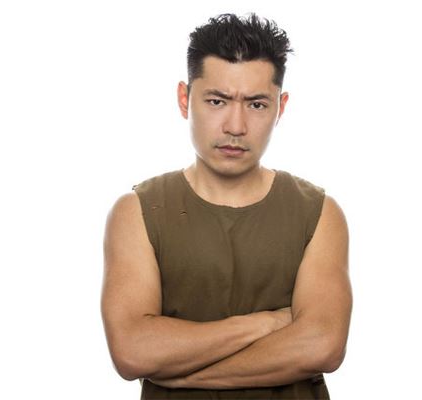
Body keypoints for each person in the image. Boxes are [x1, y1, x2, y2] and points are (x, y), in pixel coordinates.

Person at [101, 13, 352, 399]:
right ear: (185, 99)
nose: (235, 126)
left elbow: (322, 345)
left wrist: (185, 374)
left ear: (280, 107)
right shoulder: (138, 212)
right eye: (217, 101)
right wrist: (264, 324)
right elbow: (133, 350)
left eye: (256, 104)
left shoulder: (319, 213)